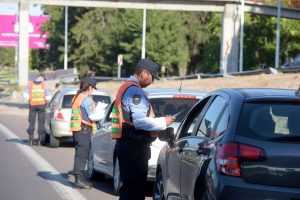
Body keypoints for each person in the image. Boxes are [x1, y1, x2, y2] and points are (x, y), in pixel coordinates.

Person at [111, 58, 175, 200]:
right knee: (134, 192)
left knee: (130, 190)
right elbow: (139, 122)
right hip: (134, 148)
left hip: (128, 145)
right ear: (144, 73)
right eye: (152, 76)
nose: (152, 81)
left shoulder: (126, 87)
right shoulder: (135, 91)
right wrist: (163, 121)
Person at [70, 77, 106, 189]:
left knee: (79, 154)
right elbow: (92, 116)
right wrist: (102, 113)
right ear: (89, 87)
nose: (93, 91)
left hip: (77, 129)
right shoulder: (86, 99)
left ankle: (79, 178)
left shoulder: (77, 96)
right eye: (93, 88)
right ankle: (79, 180)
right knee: (82, 155)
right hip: (84, 130)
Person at [23, 73, 51, 146]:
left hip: (32, 105)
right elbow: (48, 97)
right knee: (41, 122)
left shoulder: (30, 84)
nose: (44, 81)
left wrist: (30, 99)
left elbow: (25, 94)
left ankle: (30, 140)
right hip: (42, 106)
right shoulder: (44, 85)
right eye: (44, 79)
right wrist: (44, 100)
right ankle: (39, 140)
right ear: (42, 78)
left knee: (31, 122)